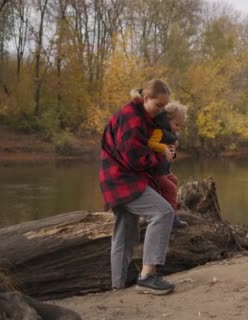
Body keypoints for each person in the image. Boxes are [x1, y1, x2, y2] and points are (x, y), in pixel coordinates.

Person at [100, 79, 176, 295]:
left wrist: (163, 151)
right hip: (123, 180)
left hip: (116, 180)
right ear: (145, 98)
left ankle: (117, 287)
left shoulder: (141, 116)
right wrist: (161, 159)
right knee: (163, 212)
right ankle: (147, 276)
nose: (160, 111)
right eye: (158, 105)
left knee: (124, 234)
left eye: (164, 106)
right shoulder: (131, 117)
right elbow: (135, 157)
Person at [131, 89, 188, 228]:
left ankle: (167, 209)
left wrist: (172, 153)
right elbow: (151, 143)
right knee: (170, 187)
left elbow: (169, 156)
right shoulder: (159, 130)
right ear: (167, 120)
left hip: (162, 169)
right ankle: (171, 216)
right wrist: (163, 148)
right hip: (153, 171)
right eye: (176, 124)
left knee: (173, 180)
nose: (178, 128)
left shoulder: (169, 134)